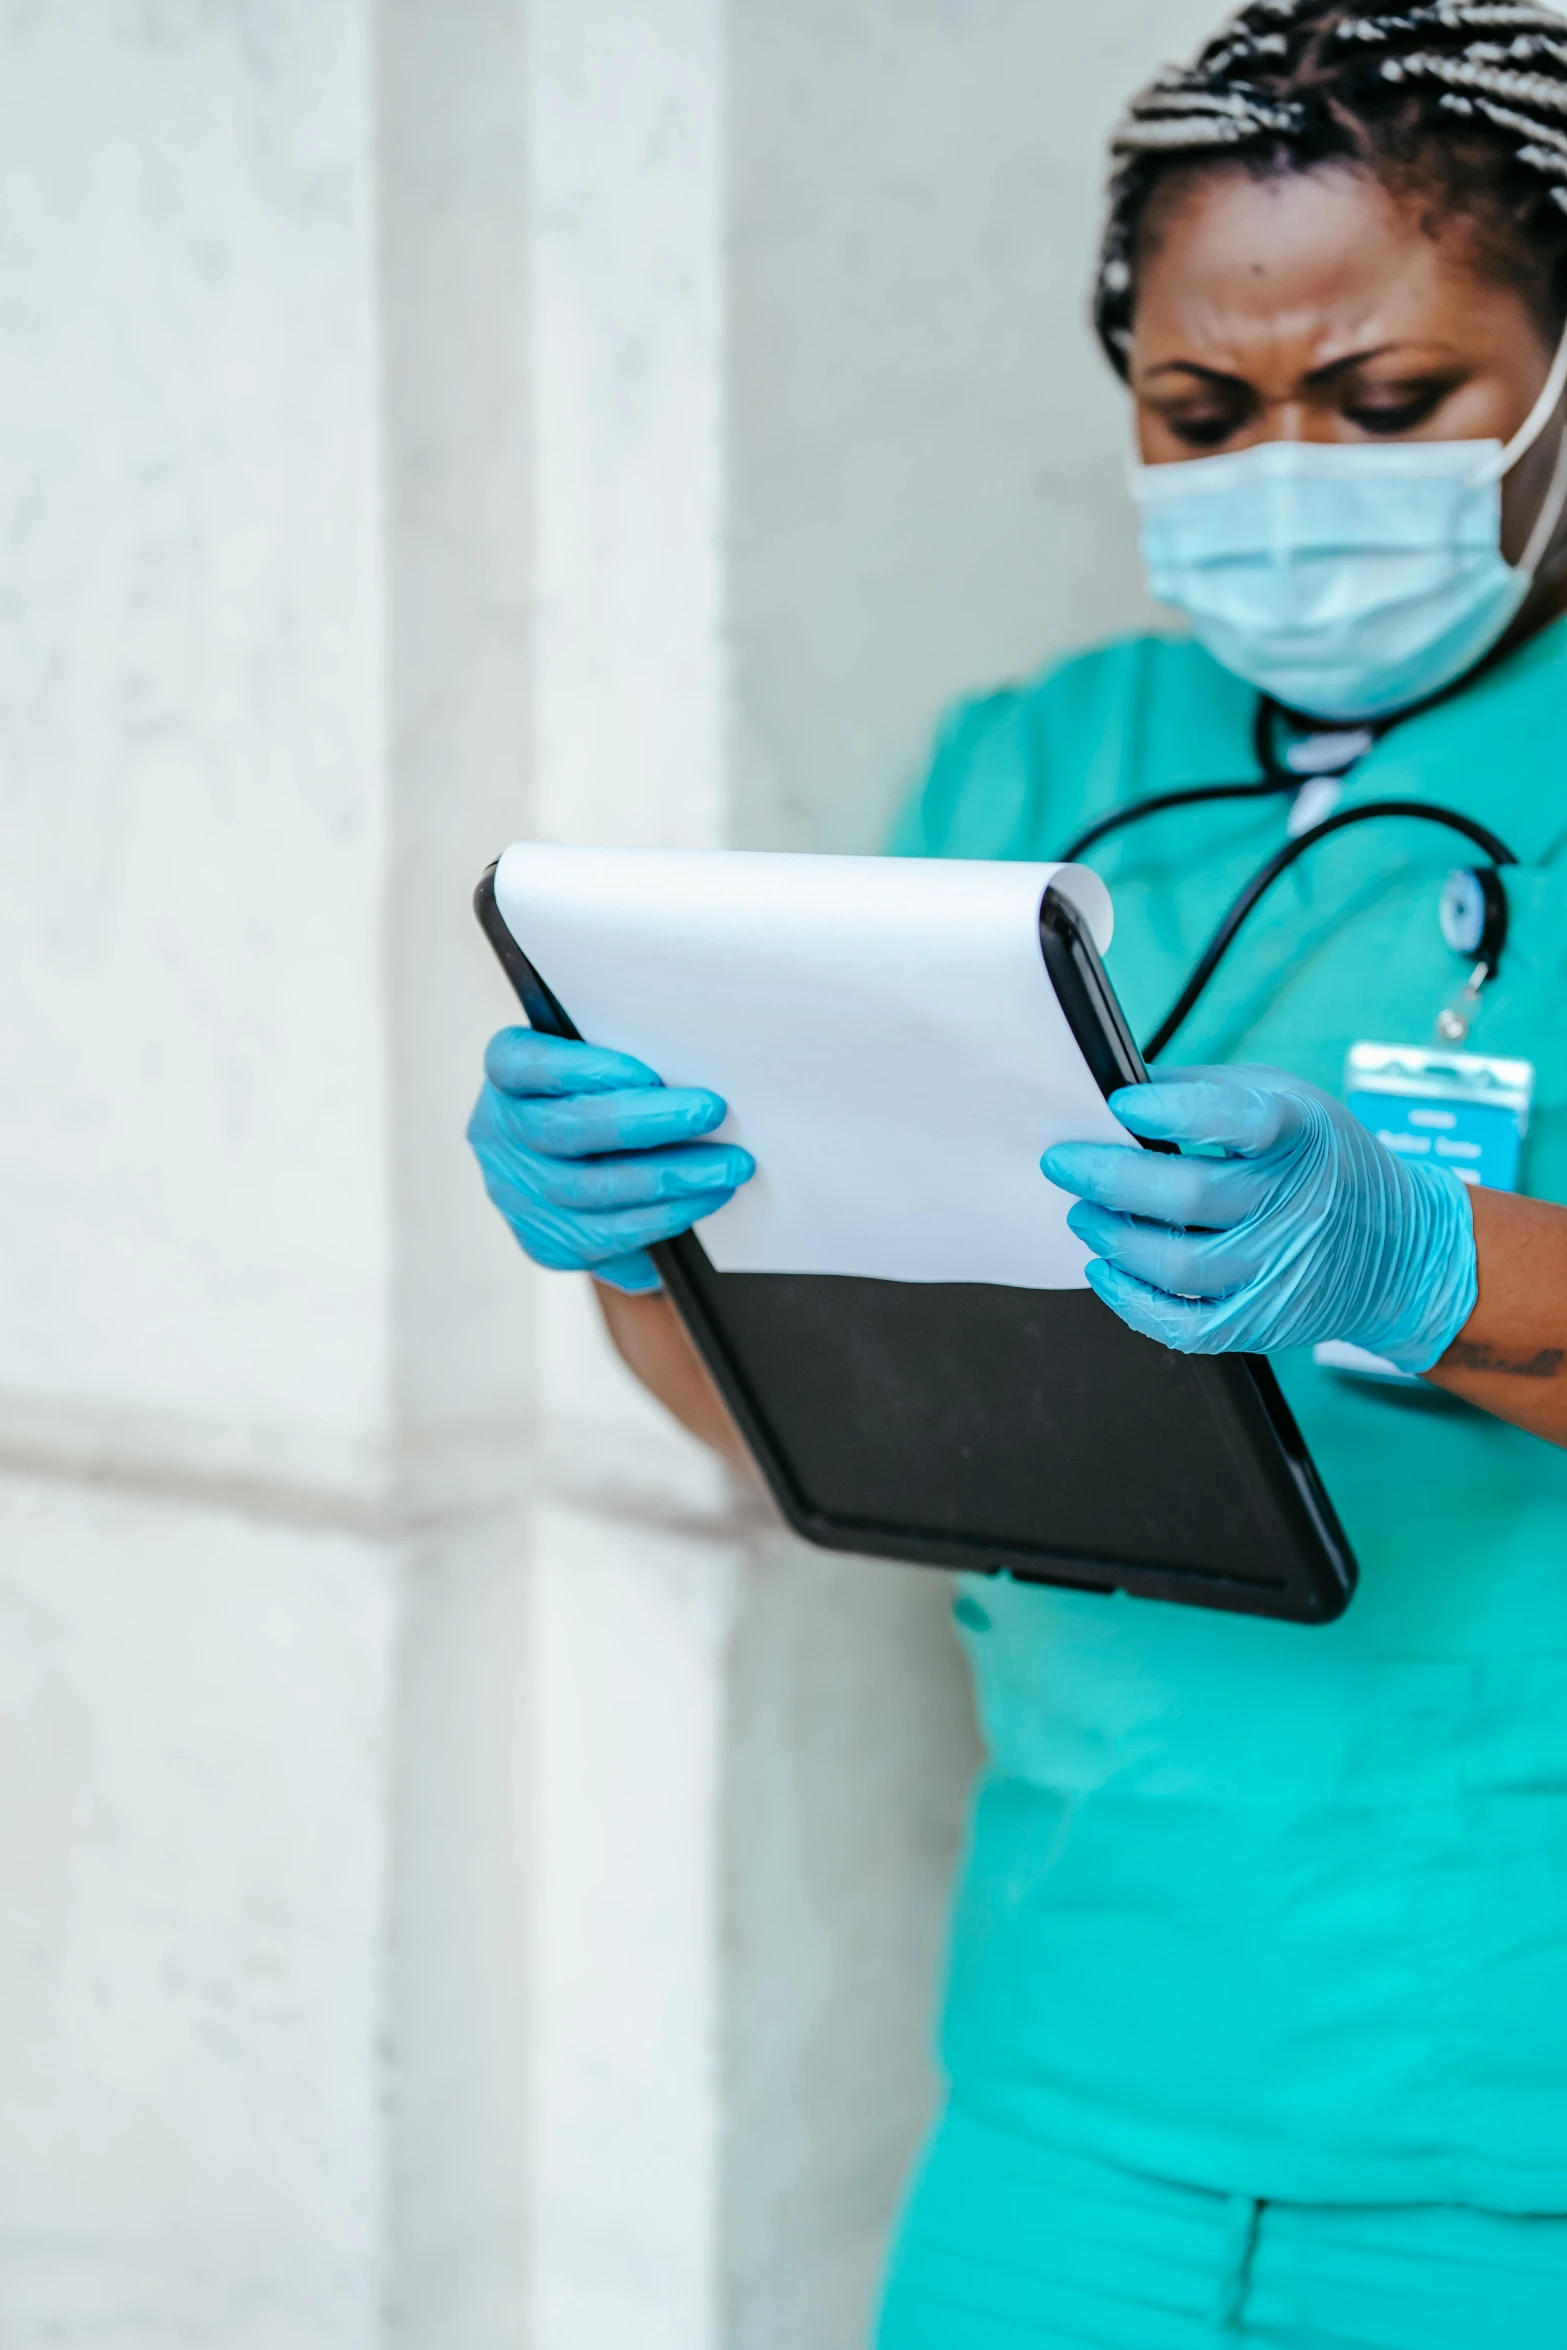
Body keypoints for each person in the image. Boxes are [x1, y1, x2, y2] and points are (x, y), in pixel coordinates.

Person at [468, 4, 1567, 2340]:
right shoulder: (1042, 763)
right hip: (1085, 2073)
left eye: (1387, 406)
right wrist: (661, 1249)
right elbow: (811, 1432)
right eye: (1201, 412)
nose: (1285, 466)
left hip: (1511, 2115)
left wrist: (1414, 1254)